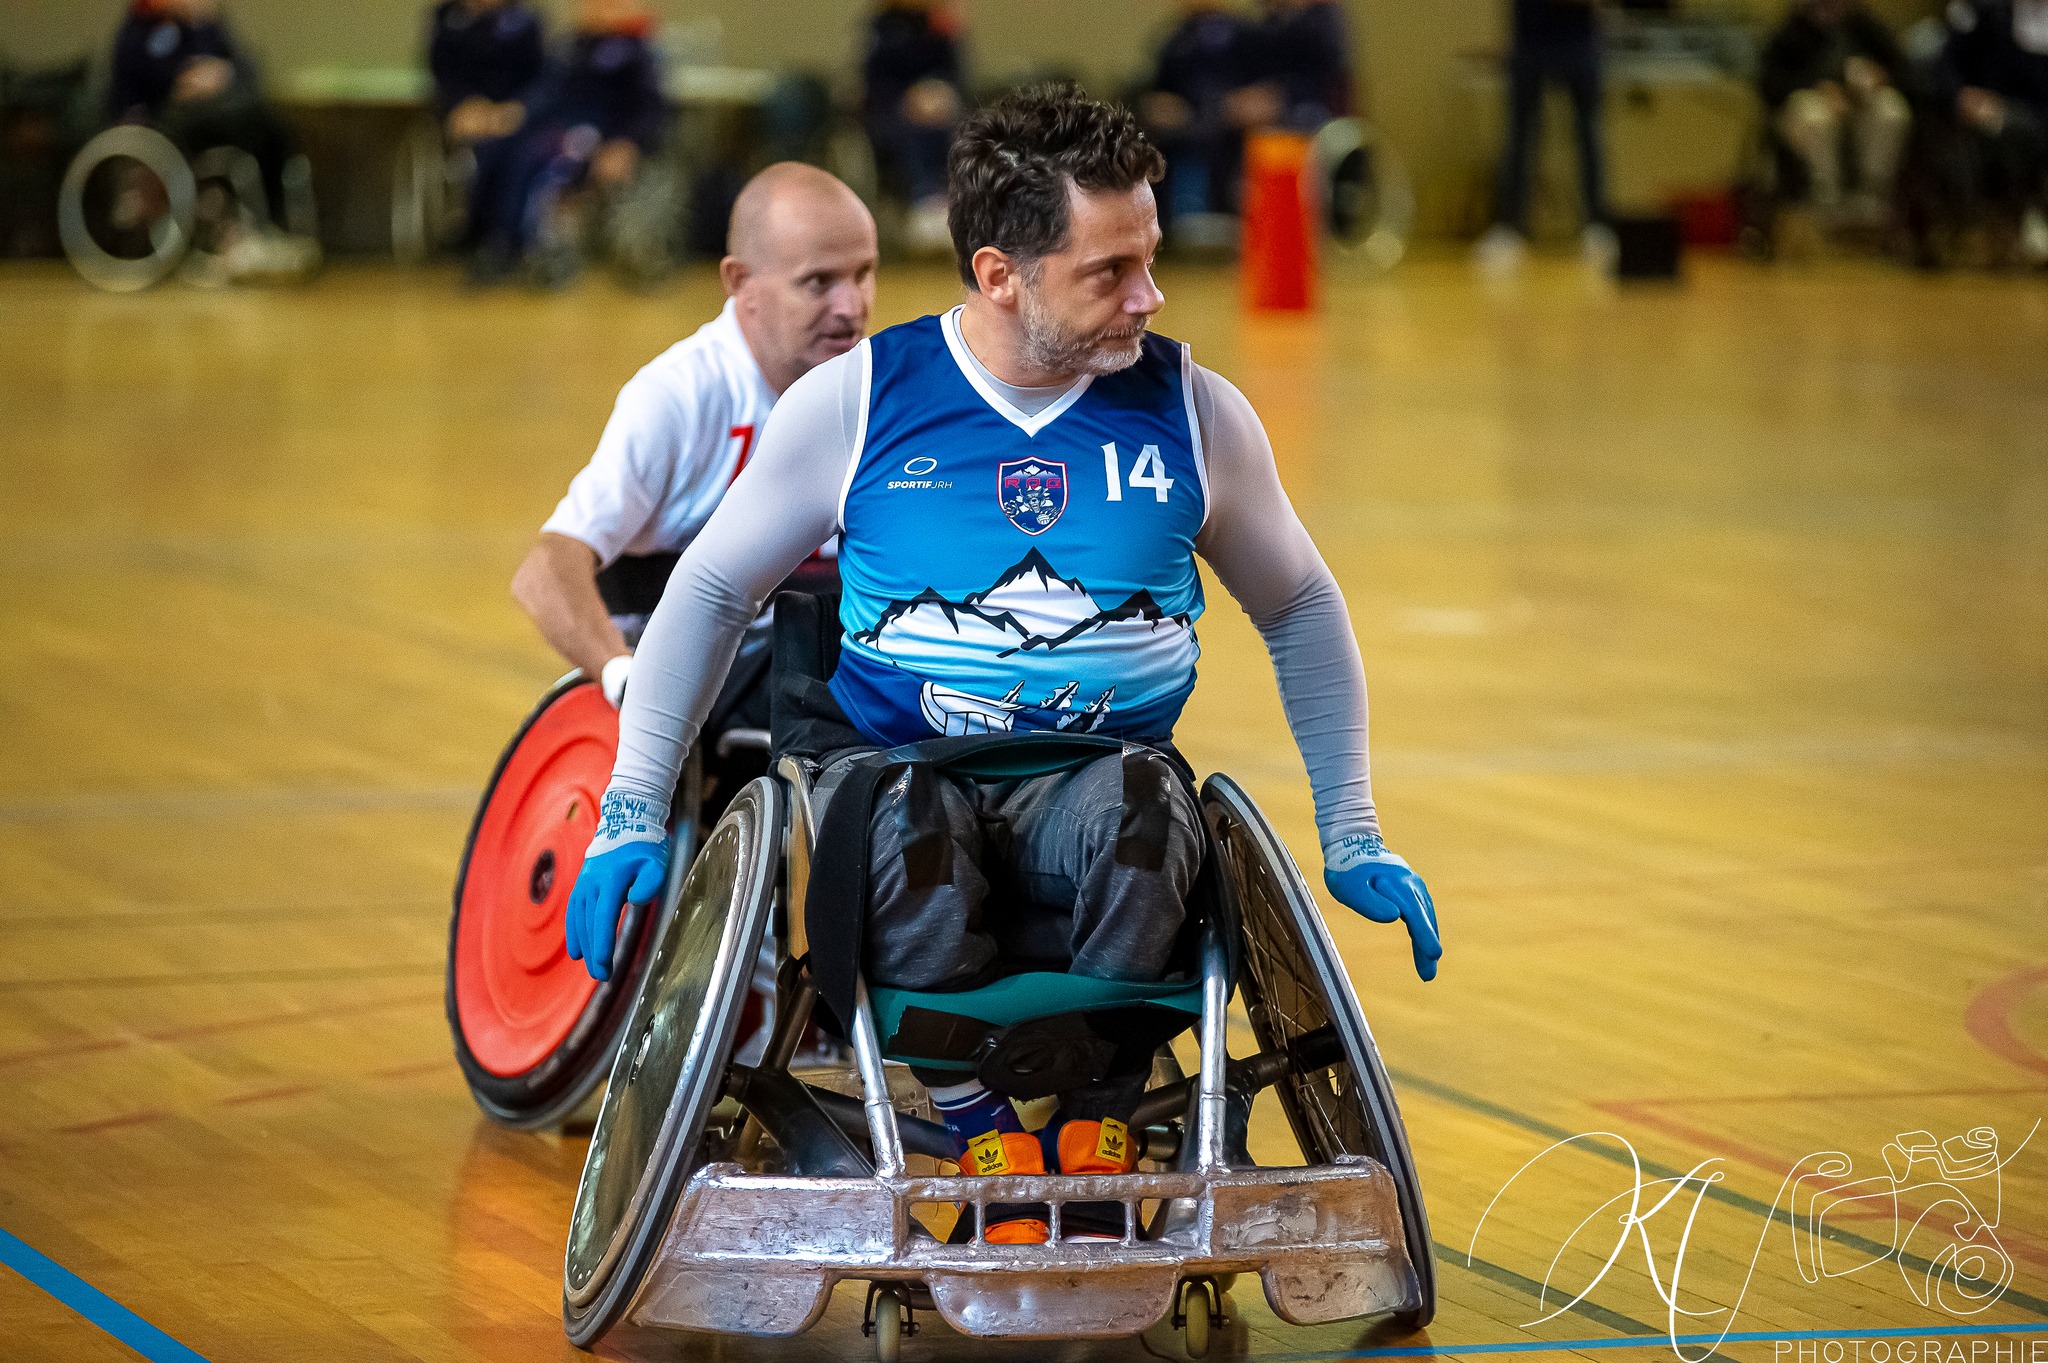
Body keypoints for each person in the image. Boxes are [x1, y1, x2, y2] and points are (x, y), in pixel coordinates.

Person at [561, 86, 1441, 1243]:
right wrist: (631, 806)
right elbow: (714, 590)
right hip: (899, 773)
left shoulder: (1193, 409)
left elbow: (1301, 603)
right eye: (1109, 271)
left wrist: (1353, 828)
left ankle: (1093, 1118)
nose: (1149, 294)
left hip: (1093, 780)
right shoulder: (858, 402)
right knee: (904, 824)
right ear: (999, 274)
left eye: (1148, 259)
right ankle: (978, 1120)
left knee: (1152, 813)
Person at [512, 163, 875, 810]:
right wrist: (627, 678)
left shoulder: (875, 390)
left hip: (815, 665)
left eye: (864, 273)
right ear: (740, 283)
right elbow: (546, 571)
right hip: (706, 674)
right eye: (818, 282)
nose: (851, 307)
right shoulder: (678, 396)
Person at [467, 0, 666, 285]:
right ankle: (501, 241)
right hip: (554, 129)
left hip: (599, 136)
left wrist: (626, 142)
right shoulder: (569, 48)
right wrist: (514, 115)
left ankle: (542, 247)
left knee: (553, 165)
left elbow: (648, 107)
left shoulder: (633, 52)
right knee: (510, 154)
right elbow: (547, 94)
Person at [106, 0, 312, 275]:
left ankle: (271, 226)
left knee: (264, 121)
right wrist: (188, 78)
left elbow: (244, 67)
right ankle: (240, 232)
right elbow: (144, 82)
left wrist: (220, 68)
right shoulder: (140, 29)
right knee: (243, 119)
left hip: (215, 115)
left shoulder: (205, 27)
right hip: (165, 121)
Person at [1474, 0, 1615, 275]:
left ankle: (1597, 227)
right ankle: (1509, 229)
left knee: (1589, 134)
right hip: (1530, 40)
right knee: (1518, 137)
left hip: (1578, 41)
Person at [1759, 0, 1912, 223]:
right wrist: (1819, 87)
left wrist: (1880, 77)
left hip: (1858, 108)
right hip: (1808, 109)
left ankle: (1871, 200)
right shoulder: (1793, 30)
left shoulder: (1865, 26)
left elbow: (1906, 73)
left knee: (1891, 109)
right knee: (1816, 117)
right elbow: (1770, 85)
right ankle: (1827, 203)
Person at [1935, 0, 2048, 260]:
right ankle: (2023, 217)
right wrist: (1962, 96)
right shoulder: (1986, 11)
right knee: (2009, 131)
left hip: (2035, 113)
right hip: (1988, 109)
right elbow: (1947, 64)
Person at [1140, 0, 1252, 237]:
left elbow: (1260, 92)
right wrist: (1160, 105)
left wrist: (1236, 105)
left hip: (1228, 129)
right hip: (1180, 129)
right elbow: (1158, 92)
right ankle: (1174, 222)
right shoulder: (1175, 41)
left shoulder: (1245, 35)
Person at [861, 0, 966, 253]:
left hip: (939, 110)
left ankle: (957, 201)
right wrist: (908, 100)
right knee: (915, 134)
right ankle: (925, 200)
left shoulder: (940, 27)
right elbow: (874, 83)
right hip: (893, 115)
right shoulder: (880, 29)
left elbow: (954, 75)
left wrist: (940, 93)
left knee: (961, 131)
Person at [427, 0, 545, 152]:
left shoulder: (525, 23)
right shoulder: (448, 20)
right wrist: (467, 104)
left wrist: (515, 109)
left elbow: (538, 79)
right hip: (462, 111)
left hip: (513, 112)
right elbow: (443, 74)